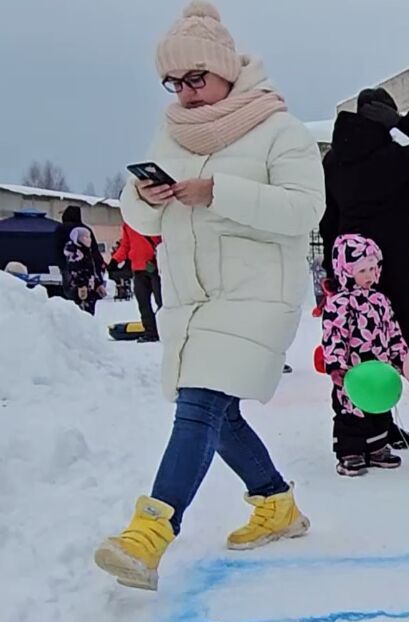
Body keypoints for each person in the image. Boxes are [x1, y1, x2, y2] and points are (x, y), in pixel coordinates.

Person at [95, 0, 325, 591]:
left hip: (256, 294)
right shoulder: (172, 131)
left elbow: (306, 209)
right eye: (175, 83)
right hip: (192, 296)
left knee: (198, 404)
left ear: (226, 67)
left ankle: (149, 534)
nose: (187, 93)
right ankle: (275, 504)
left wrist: (216, 191)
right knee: (218, 414)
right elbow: (141, 223)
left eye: (196, 78)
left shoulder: (279, 128)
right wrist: (147, 197)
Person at [319, 85, 409, 449]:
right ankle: (365, 434)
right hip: (393, 270)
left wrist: (334, 271)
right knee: (388, 350)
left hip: (352, 269)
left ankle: (373, 427)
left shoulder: (332, 160)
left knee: (355, 351)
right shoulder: (390, 156)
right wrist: (402, 123)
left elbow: (329, 219)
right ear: (383, 117)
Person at [322, 234, 407, 476]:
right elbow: (334, 334)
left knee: (379, 409)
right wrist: (336, 365)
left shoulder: (381, 300)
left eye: (373, 268)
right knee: (351, 411)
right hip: (352, 372)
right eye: (362, 270)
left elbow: (392, 330)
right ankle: (350, 452)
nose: (370, 275)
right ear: (347, 271)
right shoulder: (340, 302)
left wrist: (399, 356)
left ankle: (378, 447)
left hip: (379, 369)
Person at [111, 222, 163, 342]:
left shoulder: (153, 218)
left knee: (162, 302)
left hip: (156, 267)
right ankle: (151, 332)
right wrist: (115, 260)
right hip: (138, 269)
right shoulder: (128, 224)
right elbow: (125, 245)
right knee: (143, 303)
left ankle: (165, 329)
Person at [63, 226, 106, 315]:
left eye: (89, 237)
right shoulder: (75, 254)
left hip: (89, 288)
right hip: (79, 290)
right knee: (82, 313)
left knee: (90, 311)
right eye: (85, 237)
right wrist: (81, 285)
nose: (89, 240)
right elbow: (75, 272)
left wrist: (97, 284)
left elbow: (91, 271)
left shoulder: (87, 252)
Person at [53, 205, 97, 283]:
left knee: (69, 290)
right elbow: (94, 250)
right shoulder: (87, 229)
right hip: (87, 268)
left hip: (67, 267)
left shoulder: (61, 229)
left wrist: (60, 264)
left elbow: (56, 248)